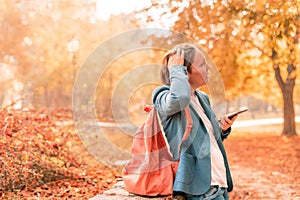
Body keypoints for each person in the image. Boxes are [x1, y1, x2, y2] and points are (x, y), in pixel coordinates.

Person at [152, 43, 237, 200]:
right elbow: (180, 98)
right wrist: (176, 69)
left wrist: (222, 129)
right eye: (202, 64)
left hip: (220, 184)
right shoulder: (164, 95)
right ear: (186, 72)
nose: (209, 68)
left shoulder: (202, 98)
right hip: (199, 190)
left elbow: (205, 139)